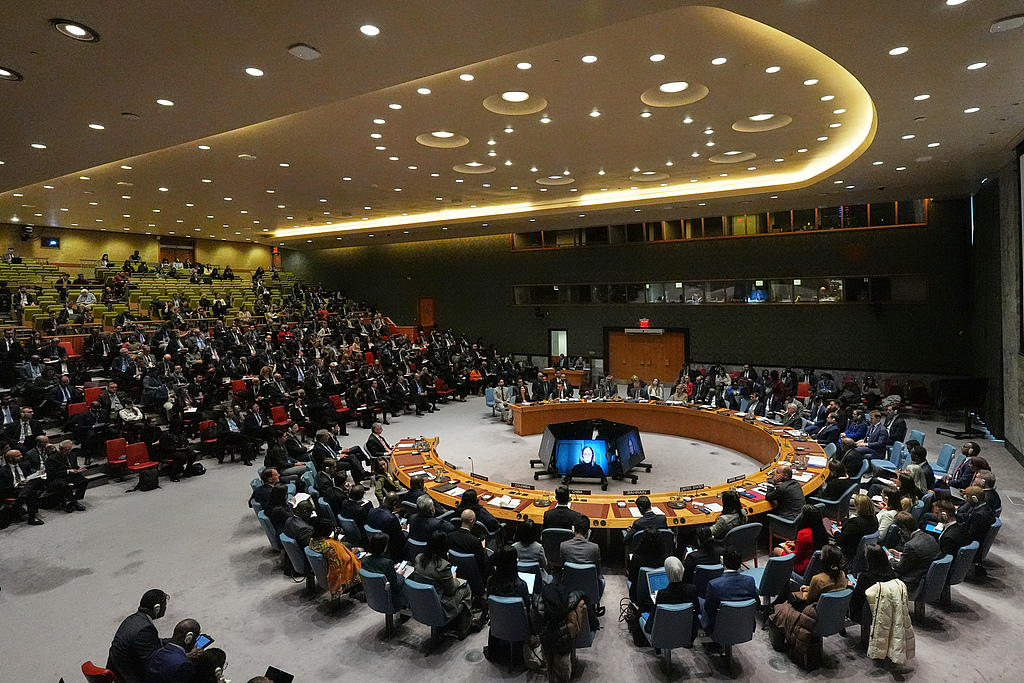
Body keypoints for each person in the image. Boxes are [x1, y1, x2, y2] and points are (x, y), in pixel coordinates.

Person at [411, 531, 474, 639]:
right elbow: (451, 590)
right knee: (466, 587)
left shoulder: (419, 558)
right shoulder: (443, 566)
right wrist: (454, 578)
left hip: (420, 601)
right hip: (439, 603)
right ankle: (464, 629)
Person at [483, 545, 534, 663]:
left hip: (498, 623)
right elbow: (527, 608)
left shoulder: (490, 581)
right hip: (519, 625)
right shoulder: (521, 585)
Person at [107, 589, 169, 683]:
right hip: (128, 677)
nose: (165, 608)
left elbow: (151, 642)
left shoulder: (132, 619)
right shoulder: (145, 628)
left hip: (119, 669)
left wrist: (175, 641)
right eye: (165, 606)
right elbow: (153, 665)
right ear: (157, 608)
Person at [637, 555, 698, 635]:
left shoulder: (662, 594)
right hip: (686, 633)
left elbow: (654, 619)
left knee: (641, 616)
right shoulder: (692, 589)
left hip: (663, 634)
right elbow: (696, 611)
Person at [704, 547, 759, 635]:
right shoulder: (750, 581)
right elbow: (757, 605)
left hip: (718, 628)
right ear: (740, 564)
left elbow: (709, 610)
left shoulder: (714, 584)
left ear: (722, 561)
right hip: (744, 626)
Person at [559, 515, 604, 610]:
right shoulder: (594, 548)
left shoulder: (564, 546)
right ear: (588, 532)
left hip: (570, 589)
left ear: (573, 529)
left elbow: (562, 566)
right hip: (591, 589)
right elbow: (598, 572)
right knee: (602, 579)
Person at [307, 518, 362, 594]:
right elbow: (344, 560)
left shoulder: (312, 540)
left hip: (326, 568)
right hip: (339, 574)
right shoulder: (330, 547)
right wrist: (352, 553)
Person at [890, 511, 940, 593]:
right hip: (927, 577)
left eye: (900, 530)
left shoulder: (910, 545)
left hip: (912, 582)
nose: (899, 533)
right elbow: (919, 556)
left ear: (904, 528)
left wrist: (889, 557)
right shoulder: (929, 537)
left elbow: (899, 568)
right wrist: (900, 555)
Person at [773, 504, 828, 576]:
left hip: (802, 567)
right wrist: (795, 544)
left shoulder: (804, 533)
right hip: (816, 564)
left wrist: (785, 548)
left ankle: (781, 574)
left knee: (776, 549)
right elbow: (810, 546)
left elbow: (795, 557)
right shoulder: (823, 530)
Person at [360, 531, 409, 608]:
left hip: (373, 596)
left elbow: (377, 572)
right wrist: (399, 575)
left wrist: (392, 571)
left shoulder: (364, 560)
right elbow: (396, 585)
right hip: (390, 598)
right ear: (384, 547)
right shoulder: (387, 563)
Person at [145, 618, 201, 683]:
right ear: (189, 638)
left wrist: (184, 657)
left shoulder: (158, 652)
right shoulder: (185, 664)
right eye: (196, 637)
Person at [0, 449, 45, 525]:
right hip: (14, 489)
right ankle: (32, 518)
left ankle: (22, 497)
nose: (21, 457)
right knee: (31, 491)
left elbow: (31, 475)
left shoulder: (24, 465)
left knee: (31, 486)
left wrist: (38, 474)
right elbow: (2, 488)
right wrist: (16, 484)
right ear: (11, 459)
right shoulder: (2, 471)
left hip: (26, 486)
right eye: (18, 456)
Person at [45, 439, 88, 512]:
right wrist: (67, 471)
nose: (68, 451)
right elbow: (52, 473)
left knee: (84, 481)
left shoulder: (72, 455)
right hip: (58, 478)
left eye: (70, 449)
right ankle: (75, 503)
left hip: (71, 476)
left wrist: (79, 470)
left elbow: (75, 466)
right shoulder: (52, 458)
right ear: (60, 449)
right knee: (64, 485)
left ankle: (71, 503)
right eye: (66, 450)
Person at [835, 494, 880, 565]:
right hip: (862, 550)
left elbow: (842, 540)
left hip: (849, 550)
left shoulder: (855, 523)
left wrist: (835, 532)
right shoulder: (874, 519)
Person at [365, 491, 406, 561]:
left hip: (373, 546)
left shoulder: (371, 511)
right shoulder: (392, 519)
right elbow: (400, 540)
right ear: (394, 504)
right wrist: (403, 530)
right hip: (390, 550)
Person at [512, 518, 551, 584]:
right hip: (538, 579)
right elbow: (544, 565)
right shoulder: (538, 548)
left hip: (518, 578)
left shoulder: (514, 547)